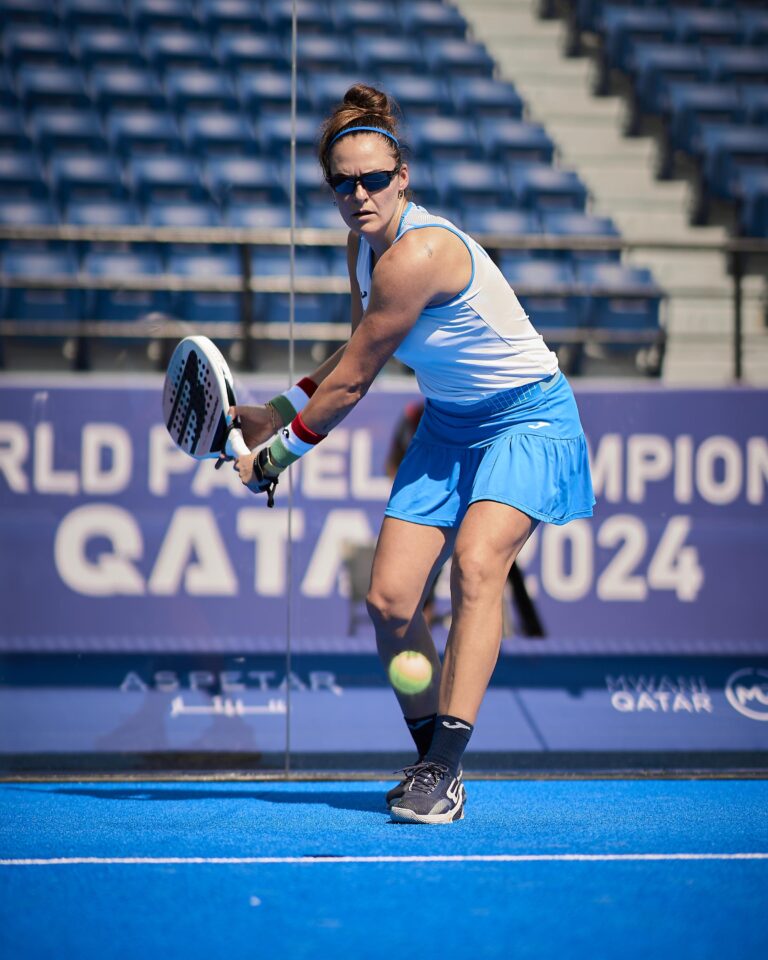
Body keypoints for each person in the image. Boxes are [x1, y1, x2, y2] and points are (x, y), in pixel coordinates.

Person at [229, 84, 595, 824]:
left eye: (373, 178)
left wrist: (273, 458)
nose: (359, 194)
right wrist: (277, 409)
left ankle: (445, 772)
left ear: (402, 178)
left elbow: (356, 383)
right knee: (390, 603)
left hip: (527, 419)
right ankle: (433, 759)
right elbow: (355, 350)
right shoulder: (362, 250)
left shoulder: (419, 254)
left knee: (477, 566)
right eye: (343, 183)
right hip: (449, 426)